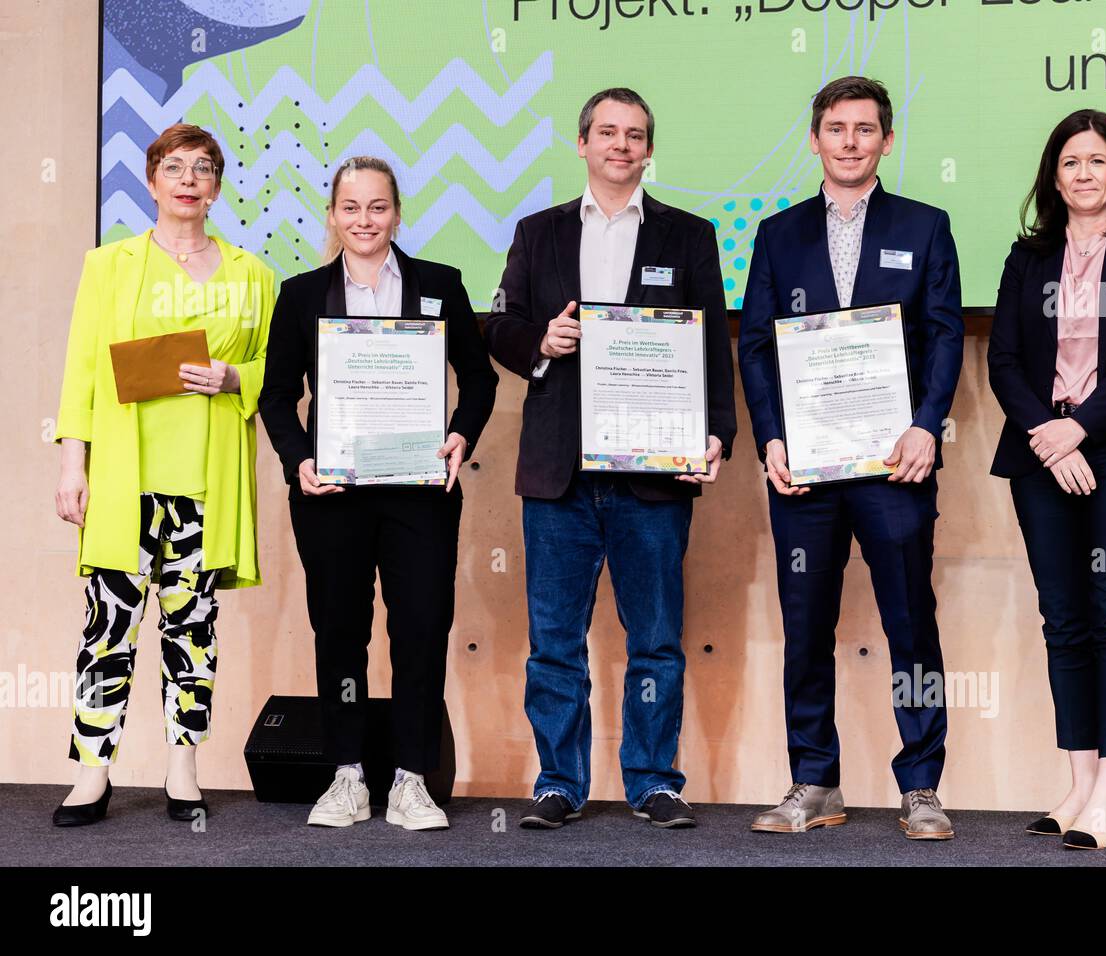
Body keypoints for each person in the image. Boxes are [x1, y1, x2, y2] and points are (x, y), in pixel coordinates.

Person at [485, 87, 736, 829]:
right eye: (606, 132)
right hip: (557, 472)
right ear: (583, 143)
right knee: (555, 644)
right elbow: (499, 325)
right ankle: (560, 782)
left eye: (634, 135)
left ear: (649, 150)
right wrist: (540, 342)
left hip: (653, 473)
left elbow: (711, 345)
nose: (620, 144)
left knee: (656, 640)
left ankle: (654, 780)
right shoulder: (539, 233)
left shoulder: (688, 235)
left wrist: (716, 433)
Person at [737, 76, 963, 839]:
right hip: (804, 469)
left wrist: (928, 425)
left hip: (895, 465)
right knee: (805, 626)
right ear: (815, 139)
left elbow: (944, 336)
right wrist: (771, 436)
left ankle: (923, 785)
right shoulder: (778, 234)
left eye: (865, 129)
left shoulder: (926, 227)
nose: (850, 141)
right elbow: (757, 345)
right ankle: (814, 780)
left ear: (886, 141)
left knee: (912, 625)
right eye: (836, 128)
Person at [260, 156, 498, 831]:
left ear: (397, 212)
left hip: (419, 493)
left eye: (378, 207)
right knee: (339, 632)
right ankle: (345, 775)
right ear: (333, 215)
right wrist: (298, 456)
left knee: (422, 629)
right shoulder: (301, 294)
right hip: (330, 491)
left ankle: (412, 778)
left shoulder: (440, 286)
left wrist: (460, 436)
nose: (365, 221)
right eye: (351, 208)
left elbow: (480, 382)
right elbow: (277, 396)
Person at [52, 123, 274, 826]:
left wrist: (233, 373)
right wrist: (72, 463)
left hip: (205, 481)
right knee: (107, 629)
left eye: (202, 168)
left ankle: (185, 768)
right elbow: (83, 370)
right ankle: (93, 772)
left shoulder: (253, 273)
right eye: (173, 167)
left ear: (216, 185)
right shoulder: (108, 265)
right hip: (124, 478)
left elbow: (276, 370)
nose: (187, 178)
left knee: (193, 628)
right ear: (151, 180)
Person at [988, 109, 1106, 850]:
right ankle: (1076, 784)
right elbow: (1003, 359)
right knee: (1062, 618)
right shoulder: (1027, 258)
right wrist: (1051, 434)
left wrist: (1082, 427)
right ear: (1054, 176)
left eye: (1098, 161)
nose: (1084, 173)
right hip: (1043, 452)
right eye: (1071, 162)